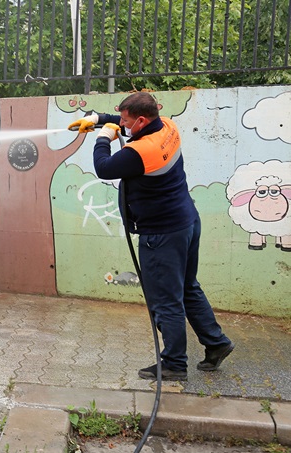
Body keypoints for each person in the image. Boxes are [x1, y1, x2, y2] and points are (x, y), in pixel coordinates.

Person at [68, 92, 234, 381]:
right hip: (187, 221)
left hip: (162, 233)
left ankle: (174, 364)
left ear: (142, 120)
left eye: (125, 120)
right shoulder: (167, 126)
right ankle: (216, 343)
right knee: (186, 287)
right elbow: (128, 123)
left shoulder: (141, 151)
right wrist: (98, 119)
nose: (121, 123)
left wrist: (102, 137)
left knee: (165, 300)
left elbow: (104, 168)